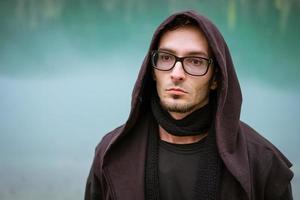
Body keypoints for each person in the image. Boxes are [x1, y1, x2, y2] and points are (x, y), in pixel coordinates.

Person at [84, 10, 293, 200]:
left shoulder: (262, 163)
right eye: (166, 57)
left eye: (195, 61)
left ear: (215, 79)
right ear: (152, 71)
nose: (176, 74)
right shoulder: (111, 153)